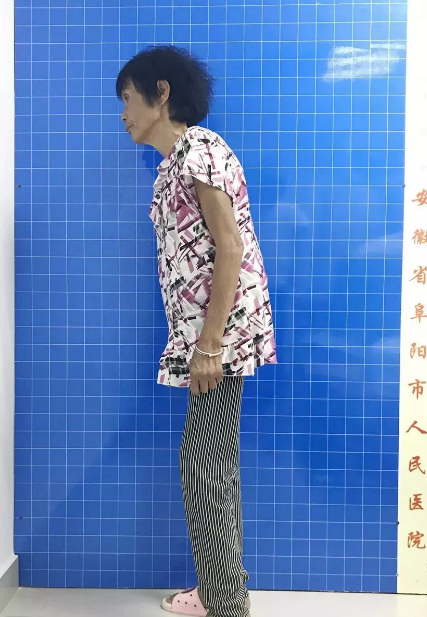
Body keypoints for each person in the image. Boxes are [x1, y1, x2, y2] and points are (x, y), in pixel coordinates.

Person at [116, 46, 277, 617]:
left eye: (128, 99)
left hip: (219, 338)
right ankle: (222, 592)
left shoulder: (200, 149)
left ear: (161, 93)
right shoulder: (173, 164)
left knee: (203, 468)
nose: (123, 114)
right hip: (206, 337)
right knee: (212, 464)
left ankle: (224, 601)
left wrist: (209, 346)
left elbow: (230, 247)